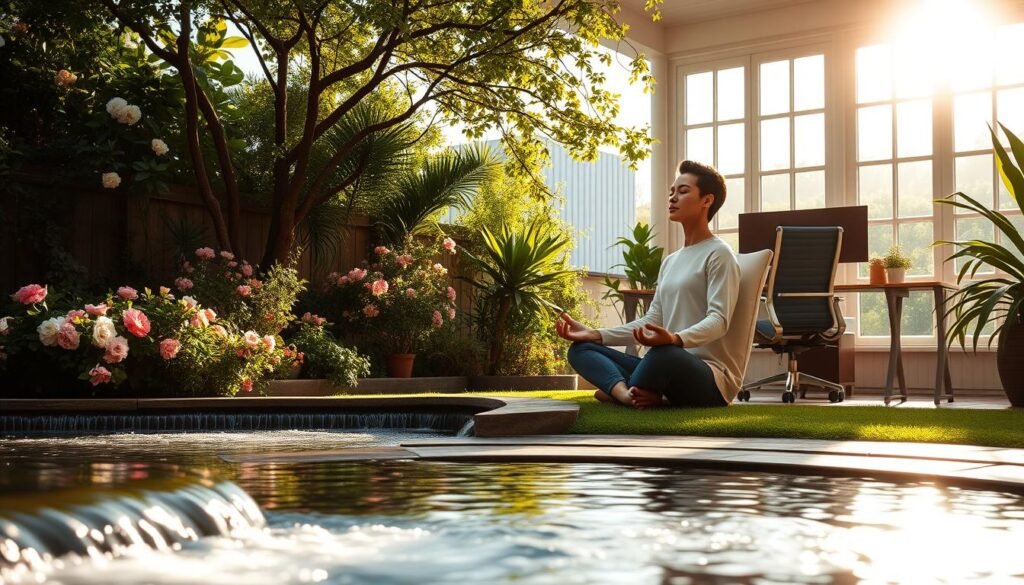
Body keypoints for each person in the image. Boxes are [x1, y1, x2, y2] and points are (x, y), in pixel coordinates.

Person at [555, 160, 742, 409]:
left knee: (663, 354)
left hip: (708, 377)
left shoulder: (719, 254)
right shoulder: (671, 261)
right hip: (665, 361)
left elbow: (719, 320)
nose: (673, 198)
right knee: (580, 349)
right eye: (672, 192)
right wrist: (595, 334)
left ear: (707, 200)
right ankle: (624, 393)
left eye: (683, 191)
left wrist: (675, 339)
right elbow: (652, 320)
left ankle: (626, 390)